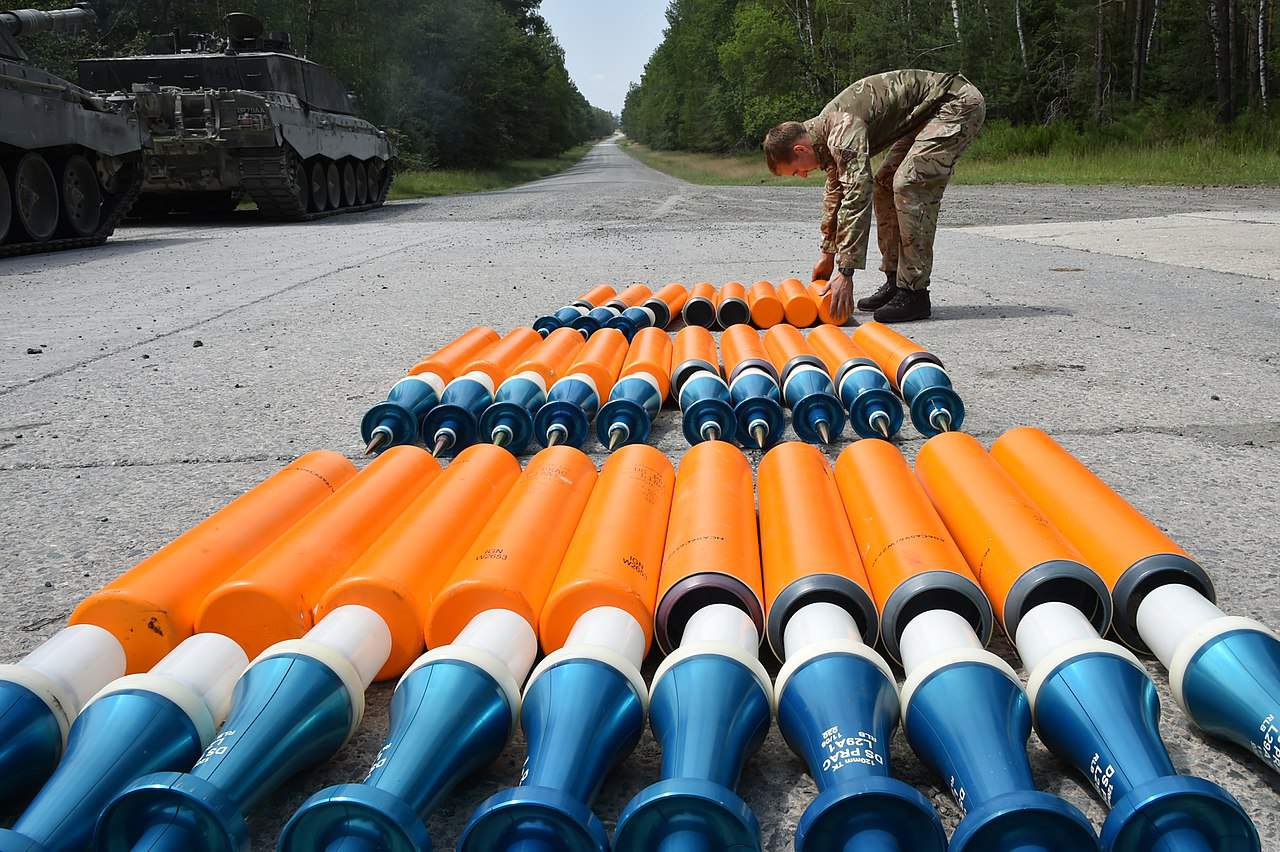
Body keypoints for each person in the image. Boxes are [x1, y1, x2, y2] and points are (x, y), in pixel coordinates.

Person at [764, 70, 985, 322]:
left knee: (909, 184)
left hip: (955, 103)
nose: (802, 175)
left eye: (796, 171)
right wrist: (827, 253)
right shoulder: (824, 135)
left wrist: (845, 273)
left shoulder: (841, 130)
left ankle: (914, 292)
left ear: (800, 149)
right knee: (885, 183)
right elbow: (837, 192)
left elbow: (857, 195)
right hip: (927, 114)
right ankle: (895, 282)